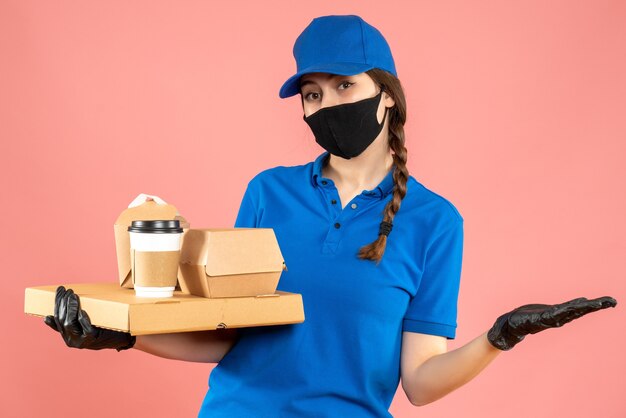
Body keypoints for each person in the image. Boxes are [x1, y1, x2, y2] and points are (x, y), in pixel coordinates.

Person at [45, 14, 617, 417]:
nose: (328, 105)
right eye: (313, 95)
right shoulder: (268, 193)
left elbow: (419, 382)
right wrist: (121, 335)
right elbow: (227, 337)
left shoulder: (435, 222)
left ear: (386, 94)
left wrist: (499, 337)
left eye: (346, 86)